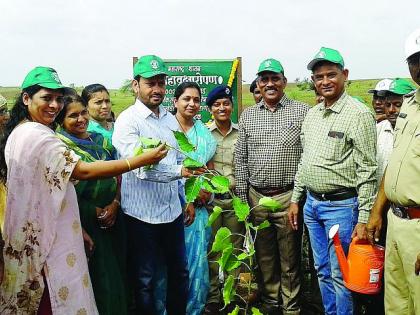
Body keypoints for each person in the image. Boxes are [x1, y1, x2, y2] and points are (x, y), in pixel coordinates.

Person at [0, 66, 167, 314]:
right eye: (46, 98)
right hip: (47, 242)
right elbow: (83, 171)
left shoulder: (22, 132)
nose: (54, 105)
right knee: (52, 300)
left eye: (58, 98)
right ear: (26, 99)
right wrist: (140, 160)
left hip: (51, 229)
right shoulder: (38, 136)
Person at [288, 47, 377, 315]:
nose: (324, 81)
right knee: (322, 270)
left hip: (341, 207)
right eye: (318, 77)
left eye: (331, 75)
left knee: (341, 274)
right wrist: (296, 199)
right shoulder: (313, 115)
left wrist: (363, 218)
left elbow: (368, 170)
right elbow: (306, 161)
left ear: (345, 75)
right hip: (312, 206)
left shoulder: (358, 114)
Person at [112, 55, 202, 315]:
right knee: (145, 281)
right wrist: (180, 171)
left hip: (171, 211)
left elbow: (179, 156)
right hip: (141, 216)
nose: (157, 89)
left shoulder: (169, 119)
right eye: (150, 83)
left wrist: (186, 200)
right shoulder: (128, 122)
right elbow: (139, 167)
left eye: (161, 83)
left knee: (179, 274)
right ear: (135, 85)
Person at [235, 58, 309, 315]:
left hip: (288, 197)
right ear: (257, 84)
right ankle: (270, 304)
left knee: (289, 260)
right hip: (257, 198)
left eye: (274, 78)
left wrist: (297, 199)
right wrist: (243, 200)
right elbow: (240, 158)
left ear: (284, 82)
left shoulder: (301, 112)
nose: (269, 84)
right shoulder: (248, 116)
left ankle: (291, 308)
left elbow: (307, 158)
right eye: (264, 80)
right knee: (264, 258)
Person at [55, 92, 129, 315]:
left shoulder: (102, 142)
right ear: (61, 121)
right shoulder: (60, 147)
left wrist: (115, 202)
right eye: (73, 116)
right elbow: (61, 192)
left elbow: (118, 175)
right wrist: (91, 210)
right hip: (83, 221)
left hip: (114, 216)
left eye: (83, 113)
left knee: (121, 274)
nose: (81, 119)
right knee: (99, 279)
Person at [367, 28, 420, 315]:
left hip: (418, 227)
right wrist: (377, 211)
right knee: (396, 303)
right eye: (414, 59)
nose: (419, 66)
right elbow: (395, 163)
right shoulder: (410, 105)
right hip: (395, 221)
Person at [204, 85, 243, 314]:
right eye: (217, 105)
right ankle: (213, 297)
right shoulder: (204, 134)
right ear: (210, 109)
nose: (222, 108)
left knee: (235, 249)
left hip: (235, 200)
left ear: (231, 107)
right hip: (212, 202)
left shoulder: (241, 133)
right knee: (213, 250)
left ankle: (233, 296)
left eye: (226, 104)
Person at [375, 78, 416, 185]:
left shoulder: (416, 131)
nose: (391, 110)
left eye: (398, 105)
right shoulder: (378, 129)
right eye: (388, 105)